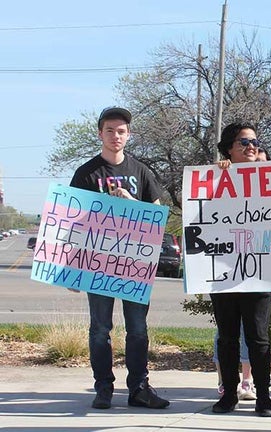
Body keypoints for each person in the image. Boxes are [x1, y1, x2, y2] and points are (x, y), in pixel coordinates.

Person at [70, 106, 169, 410]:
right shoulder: (86, 173)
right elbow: (73, 221)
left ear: (129, 135)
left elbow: (158, 218)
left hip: (135, 264)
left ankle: (139, 388)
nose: (116, 136)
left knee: (137, 329)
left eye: (121, 131)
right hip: (98, 265)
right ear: (100, 133)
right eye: (110, 130)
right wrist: (73, 269)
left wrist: (131, 204)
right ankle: (103, 389)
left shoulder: (141, 172)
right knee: (100, 329)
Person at [211, 122, 271, 416]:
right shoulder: (213, 179)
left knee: (258, 337)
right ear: (228, 149)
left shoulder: (270, 184)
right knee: (226, 337)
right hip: (224, 270)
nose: (251, 147)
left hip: (259, 270)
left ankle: (264, 397)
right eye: (243, 142)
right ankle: (228, 395)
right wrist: (218, 172)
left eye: (255, 142)